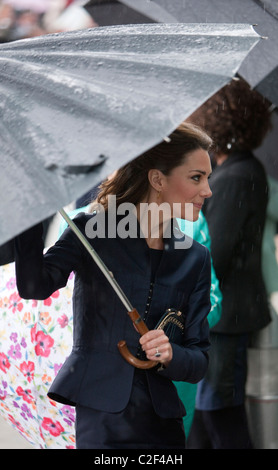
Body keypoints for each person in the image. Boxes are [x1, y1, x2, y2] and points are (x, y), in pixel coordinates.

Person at [14, 121, 213, 449]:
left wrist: (170, 353)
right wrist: (31, 212)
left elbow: (199, 360)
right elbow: (34, 286)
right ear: (157, 179)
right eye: (196, 177)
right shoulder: (91, 231)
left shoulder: (195, 257)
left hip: (164, 423)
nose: (207, 191)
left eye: (207, 178)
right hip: (102, 419)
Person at [187, 78, 272, 449]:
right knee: (207, 416)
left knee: (220, 413)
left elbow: (214, 251)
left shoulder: (237, 175)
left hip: (227, 315)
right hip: (223, 314)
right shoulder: (235, 169)